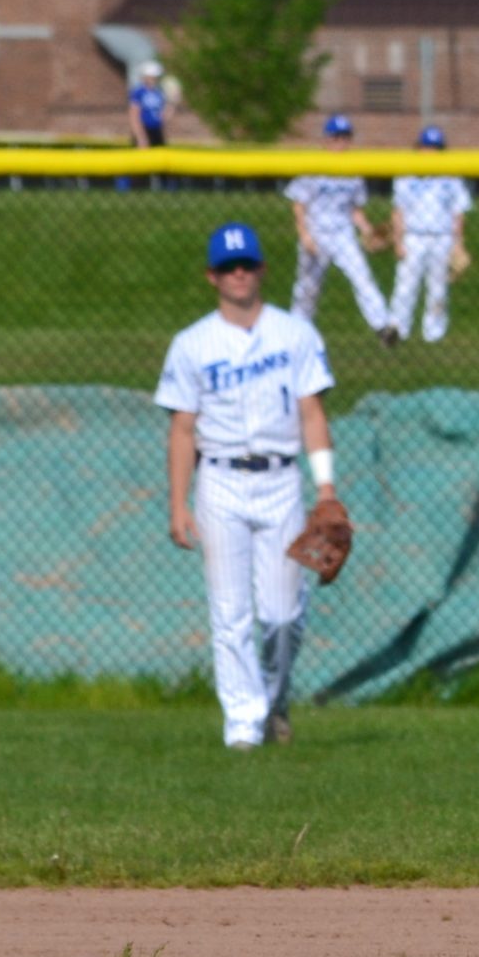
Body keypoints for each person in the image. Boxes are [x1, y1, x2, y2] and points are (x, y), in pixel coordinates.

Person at [155, 221, 338, 748]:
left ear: (262, 270)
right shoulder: (192, 343)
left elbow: (312, 413)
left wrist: (325, 488)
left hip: (281, 480)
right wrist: (178, 503)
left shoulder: (295, 334)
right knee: (230, 612)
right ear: (212, 277)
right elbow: (183, 429)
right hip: (220, 482)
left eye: (247, 265)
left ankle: (275, 700)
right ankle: (243, 725)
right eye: (227, 267)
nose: (238, 274)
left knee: (283, 615)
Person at [284, 113, 398, 346]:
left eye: (345, 138)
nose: (341, 143)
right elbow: (299, 205)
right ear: (325, 141)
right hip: (316, 232)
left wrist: (367, 230)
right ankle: (296, 332)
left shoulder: (353, 171)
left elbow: (354, 210)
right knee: (308, 286)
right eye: (336, 138)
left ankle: (383, 327)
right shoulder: (313, 167)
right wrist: (304, 235)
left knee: (362, 277)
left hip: (343, 235)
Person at [385, 125, 473, 343]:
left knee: (438, 288)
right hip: (413, 236)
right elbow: (398, 212)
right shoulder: (406, 175)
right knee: (405, 285)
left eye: (436, 147)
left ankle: (434, 333)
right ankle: (397, 329)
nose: (431, 151)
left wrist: (458, 244)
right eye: (427, 146)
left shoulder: (451, 177)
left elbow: (458, 213)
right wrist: (398, 241)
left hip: (442, 237)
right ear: (419, 148)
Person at [128, 60, 170, 149]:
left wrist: (173, 104)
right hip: (144, 129)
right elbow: (134, 115)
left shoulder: (159, 92)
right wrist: (141, 137)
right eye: (153, 77)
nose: (155, 79)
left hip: (156, 131)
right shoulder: (139, 92)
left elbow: (163, 116)